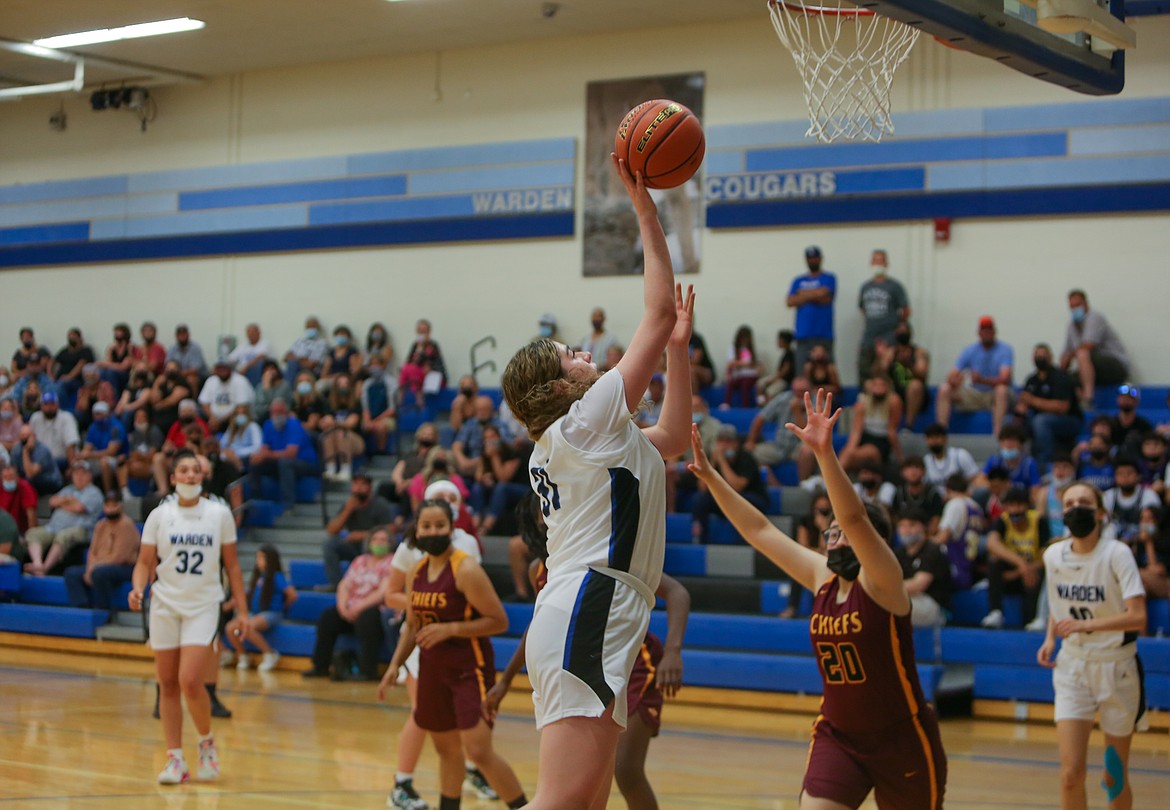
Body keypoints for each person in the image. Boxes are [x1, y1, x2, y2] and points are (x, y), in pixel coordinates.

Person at [498, 155, 693, 810]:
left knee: (581, 803)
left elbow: (672, 440)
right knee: (563, 802)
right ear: (559, 387)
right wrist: (645, 210)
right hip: (592, 605)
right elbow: (657, 309)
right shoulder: (586, 421)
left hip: (593, 609)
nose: (587, 354)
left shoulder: (585, 437)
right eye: (573, 356)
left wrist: (678, 352)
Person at [688, 390, 946, 808]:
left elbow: (855, 517)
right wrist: (710, 477)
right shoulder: (821, 576)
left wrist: (826, 454)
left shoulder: (884, 581)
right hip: (839, 736)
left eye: (844, 533)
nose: (836, 537)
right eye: (832, 534)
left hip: (901, 739)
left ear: (875, 542)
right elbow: (760, 531)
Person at [483, 495, 690, 810]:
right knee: (585, 785)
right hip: (581, 667)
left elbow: (677, 592)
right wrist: (505, 680)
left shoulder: (604, 552)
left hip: (635, 664)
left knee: (625, 770)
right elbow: (540, 627)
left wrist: (674, 650)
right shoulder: (541, 569)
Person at [378, 499, 528, 810]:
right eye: (426, 526)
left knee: (478, 751)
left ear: (452, 529)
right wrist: (395, 664)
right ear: (416, 530)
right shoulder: (415, 571)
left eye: (440, 526)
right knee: (446, 750)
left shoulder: (466, 568)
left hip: (469, 668)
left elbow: (499, 621)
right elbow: (413, 625)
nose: (433, 531)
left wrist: (451, 629)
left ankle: (523, 806)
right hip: (433, 670)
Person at [128, 448, 247, 784]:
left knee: (190, 681)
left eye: (195, 470)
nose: (190, 476)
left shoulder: (218, 513)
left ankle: (206, 742)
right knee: (166, 683)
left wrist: (243, 608)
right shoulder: (159, 515)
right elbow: (143, 562)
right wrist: (138, 588)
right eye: (184, 470)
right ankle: (175, 759)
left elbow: (233, 565)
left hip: (204, 605)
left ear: (202, 475)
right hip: (165, 604)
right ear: (173, 477)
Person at [1037, 481, 1148, 810]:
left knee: (1114, 775)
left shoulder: (1117, 553)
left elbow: (1138, 617)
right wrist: (1050, 637)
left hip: (1117, 668)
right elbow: (1059, 605)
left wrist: (1086, 625)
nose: (1075, 508)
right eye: (1069, 502)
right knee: (1070, 773)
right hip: (1073, 666)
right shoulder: (1053, 554)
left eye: (1084, 502)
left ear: (1100, 513)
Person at [383, 485, 489, 809]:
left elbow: (472, 594)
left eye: (451, 500)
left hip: (457, 643)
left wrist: (449, 610)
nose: (445, 505)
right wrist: (427, 603)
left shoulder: (467, 544)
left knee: (465, 721)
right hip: (421, 636)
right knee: (423, 715)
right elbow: (390, 595)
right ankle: (402, 782)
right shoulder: (409, 549)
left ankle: (472, 769)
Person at [303, 526, 395, 681]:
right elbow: (344, 585)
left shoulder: (392, 562)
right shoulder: (360, 560)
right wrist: (342, 606)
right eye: (375, 539)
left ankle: (367, 671)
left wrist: (359, 607)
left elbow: (383, 592)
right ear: (369, 542)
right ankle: (320, 666)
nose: (378, 543)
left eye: (383, 540)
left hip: (374, 609)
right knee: (328, 617)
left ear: (390, 543)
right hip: (351, 608)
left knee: (367, 619)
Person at [981, 486, 1048, 629]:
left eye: (1019, 505)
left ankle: (1034, 618)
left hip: (1032, 572)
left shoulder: (1038, 521)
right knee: (994, 562)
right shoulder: (1003, 521)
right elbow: (991, 543)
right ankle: (996, 612)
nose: (1015, 510)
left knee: (1039, 574)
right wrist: (1021, 565)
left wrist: (1024, 570)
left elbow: (1046, 556)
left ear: (1027, 506)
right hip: (1012, 573)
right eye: (1010, 505)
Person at [935, 316, 1013, 437]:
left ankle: (998, 435)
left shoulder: (1005, 349)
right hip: (973, 394)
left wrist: (982, 380)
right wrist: (955, 380)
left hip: (993, 396)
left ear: (994, 332)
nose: (987, 333)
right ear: (979, 333)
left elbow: (1005, 379)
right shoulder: (969, 350)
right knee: (944, 388)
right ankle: (940, 433)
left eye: (989, 330)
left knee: (1001, 390)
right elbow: (952, 374)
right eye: (984, 330)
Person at [62, 489, 139, 611]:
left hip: (125, 567)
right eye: (108, 505)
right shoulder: (101, 525)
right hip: (99, 566)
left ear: (121, 506)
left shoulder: (126, 525)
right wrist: (90, 568)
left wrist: (94, 568)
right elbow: (92, 551)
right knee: (71, 573)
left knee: (99, 573)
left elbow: (120, 557)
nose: (110, 509)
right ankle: (82, 609)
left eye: (114, 505)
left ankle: (103, 610)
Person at [23, 461, 103, 576]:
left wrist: (63, 502)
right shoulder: (68, 489)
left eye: (83, 473)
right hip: (54, 527)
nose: (79, 476)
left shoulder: (94, 492)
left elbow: (78, 508)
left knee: (64, 536)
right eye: (76, 473)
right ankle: (38, 564)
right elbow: (52, 501)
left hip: (81, 530)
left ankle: (45, 568)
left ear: (90, 475)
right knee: (33, 533)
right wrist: (69, 501)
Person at [691, 424, 769, 542]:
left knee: (740, 500)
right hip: (725, 499)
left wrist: (722, 461)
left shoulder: (745, 457)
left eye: (728, 441)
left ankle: (744, 542)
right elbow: (702, 488)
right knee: (699, 499)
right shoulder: (710, 458)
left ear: (736, 444)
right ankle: (698, 539)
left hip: (750, 498)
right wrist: (712, 463)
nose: (723, 446)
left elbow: (737, 487)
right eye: (721, 441)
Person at [226, 544, 296, 672]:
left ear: (270, 559)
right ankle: (243, 655)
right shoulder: (259, 577)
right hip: (257, 613)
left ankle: (269, 654)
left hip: (272, 613)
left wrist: (284, 606)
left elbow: (292, 594)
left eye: (261, 557)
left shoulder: (276, 576)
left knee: (248, 627)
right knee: (231, 628)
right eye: (257, 557)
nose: (258, 560)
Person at [321, 474, 396, 591]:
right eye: (355, 484)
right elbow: (331, 530)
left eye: (363, 484)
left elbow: (391, 529)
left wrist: (362, 536)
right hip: (352, 546)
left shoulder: (379, 504)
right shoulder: (349, 504)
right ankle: (337, 585)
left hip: (374, 546)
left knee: (366, 544)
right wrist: (347, 510)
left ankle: (368, 586)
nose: (358, 488)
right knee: (329, 544)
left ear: (370, 488)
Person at [1014, 343, 1082, 468]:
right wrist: (1020, 411)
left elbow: (1062, 407)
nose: (1040, 358)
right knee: (1011, 422)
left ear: (1050, 357)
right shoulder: (1031, 380)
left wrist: (1032, 401)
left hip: (1069, 421)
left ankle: (1044, 463)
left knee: (1041, 421)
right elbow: (1024, 403)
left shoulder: (1061, 377)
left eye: (1043, 355)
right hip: (1037, 420)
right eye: (1037, 355)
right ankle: (1014, 462)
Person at [1060, 289, 1129, 406]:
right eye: (1072, 307)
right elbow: (1065, 354)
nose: (1075, 309)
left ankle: (1088, 397)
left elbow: (1089, 345)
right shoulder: (1071, 326)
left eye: (1078, 305)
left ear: (1086, 304)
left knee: (1082, 353)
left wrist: (1070, 356)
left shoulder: (1095, 318)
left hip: (1114, 365)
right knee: (1066, 379)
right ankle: (1083, 406)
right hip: (1094, 372)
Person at [248, 399, 318, 508]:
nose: (277, 415)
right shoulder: (268, 425)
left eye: (280, 412)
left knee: (285, 463)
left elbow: (291, 453)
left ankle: (288, 504)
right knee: (255, 461)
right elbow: (264, 449)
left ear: (286, 413)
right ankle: (257, 499)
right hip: (280, 460)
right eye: (274, 412)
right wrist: (259, 456)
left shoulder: (294, 424)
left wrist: (267, 455)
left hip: (305, 463)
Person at [857, 249, 909, 383]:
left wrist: (896, 329)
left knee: (888, 373)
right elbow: (862, 308)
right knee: (865, 371)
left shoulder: (895, 286)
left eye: (881, 260)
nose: (878, 263)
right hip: (869, 338)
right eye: (875, 260)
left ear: (886, 264)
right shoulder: (865, 287)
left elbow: (906, 309)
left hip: (889, 338)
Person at [895, 507, 952, 628]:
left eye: (912, 525)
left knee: (889, 606)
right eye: (902, 526)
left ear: (924, 527)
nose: (906, 530)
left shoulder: (932, 550)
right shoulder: (898, 553)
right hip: (907, 599)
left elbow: (919, 585)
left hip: (933, 606)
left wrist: (883, 589)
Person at [787, 245, 836, 374]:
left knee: (827, 371)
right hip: (803, 334)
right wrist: (816, 294)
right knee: (802, 373)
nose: (812, 260)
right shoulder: (798, 280)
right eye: (809, 258)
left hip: (824, 334)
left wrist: (802, 294)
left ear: (820, 259)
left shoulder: (829, 278)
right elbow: (790, 301)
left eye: (815, 258)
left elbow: (826, 297)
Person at [782, 490, 832, 618]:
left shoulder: (833, 524)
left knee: (823, 571)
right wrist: (818, 552)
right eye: (818, 510)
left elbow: (827, 551)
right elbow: (802, 549)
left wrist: (823, 528)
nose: (821, 513)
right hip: (809, 560)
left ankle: (818, 611)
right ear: (813, 509)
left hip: (827, 562)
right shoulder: (805, 521)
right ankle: (792, 607)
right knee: (797, 569)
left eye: (825, 510)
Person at [838, 374, 903, 472]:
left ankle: (827, 480)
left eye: (882, 385)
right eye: (875, 385)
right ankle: (828, 479)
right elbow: (856, 431)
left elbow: (891, 430)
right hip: (866, 437)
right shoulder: (863, 404)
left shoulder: (893, 401)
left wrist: (900, 457)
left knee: (865, 452)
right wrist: (850, 448)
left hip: (881, 441)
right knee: (847, 453)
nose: (878, 388)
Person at [879, 321, 930, 428]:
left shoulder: (919, 352)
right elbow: (879, 373)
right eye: (899, 330)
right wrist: (881, 357)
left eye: (904, 330)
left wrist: (908, 364)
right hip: (896, 390)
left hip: (917, 395)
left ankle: (908, 426)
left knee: (915, 385)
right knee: (873, 385)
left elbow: (922, 374)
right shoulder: (890, 352)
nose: (902, 333)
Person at [197, 357, 255, 433]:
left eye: (224, 368)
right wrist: (213, 418)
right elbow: (204, 402)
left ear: (230, 368)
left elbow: (241, 407)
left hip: (232, 419)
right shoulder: (211, 381)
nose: (221, 371)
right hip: (213, 420)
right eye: (219, 368)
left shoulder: (240, 381)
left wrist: (221, 421)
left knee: (240, 417)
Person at [399, 319, 445, 407]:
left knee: (413, 368)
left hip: (433, 374)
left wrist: (421, 348)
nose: (421, 333)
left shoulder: (433, 345)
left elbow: (427, 361)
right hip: (418, 373)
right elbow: (409, 360)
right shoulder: (414, 345)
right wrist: (418, 347)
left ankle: (419, 396)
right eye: (419, 330)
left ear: (428, 332)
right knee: (406, 367)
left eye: (424, 331)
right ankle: (401, 393)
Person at [723, 325, 761, 407]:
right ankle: (726, 403)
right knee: (730, 383)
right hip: (738, 375)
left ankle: (745, 406)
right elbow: (731, 363)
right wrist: (746, 363)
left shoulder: (752, 349)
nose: (745, 340)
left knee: (745, 383)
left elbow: (758, 364)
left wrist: (741, 363)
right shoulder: (733, 348)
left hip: (750, 376)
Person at [283, 316, 329, 382]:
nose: (311, 329)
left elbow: (311, 364)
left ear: (318, 328)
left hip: (312, 372)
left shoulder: (322, 343)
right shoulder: (299, 341)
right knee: (285, 369)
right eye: (308, 327)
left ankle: (290, 390)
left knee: (292, 364)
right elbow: (285, 358)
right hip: (294, 369)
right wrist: (302, 359)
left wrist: (296, 358)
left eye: (313, 327)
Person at [757, 329, 796, 405]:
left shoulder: (789, 354)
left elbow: (784, 372)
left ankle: (769, 408)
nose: (777, 342)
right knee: (760, 383)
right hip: (779, 378)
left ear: (784, 341)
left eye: (779, 340)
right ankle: (761, 403)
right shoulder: (785, 353)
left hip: (785, 380)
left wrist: (772, 379)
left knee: (770, 391)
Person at [580, 307, 620, 373]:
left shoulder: (610, 339)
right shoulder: (585, 339)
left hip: (603, 373)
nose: (596, 319)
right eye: (594, 316)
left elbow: (612, 360)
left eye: (598, 316)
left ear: (603, 319)